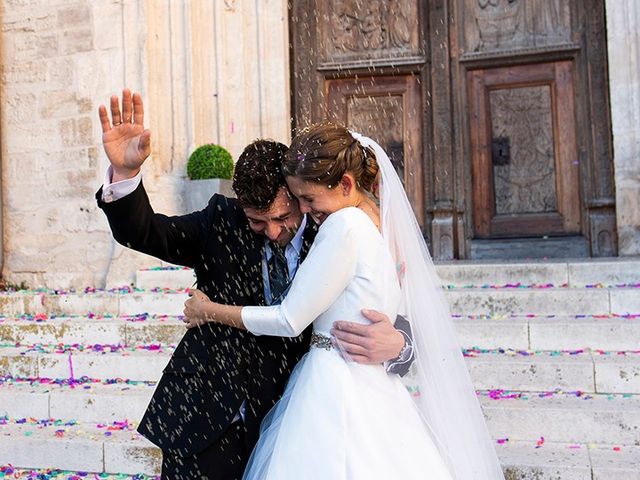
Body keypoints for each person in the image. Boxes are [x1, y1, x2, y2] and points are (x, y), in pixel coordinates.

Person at [96, 90, 413, 479]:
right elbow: (149, 233)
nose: (274, 231)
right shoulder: (219, 221)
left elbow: (379, 302)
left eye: (283, 216)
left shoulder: (334, 229)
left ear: (298, 192)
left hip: (294, 420)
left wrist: (401, 346)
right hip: (204, 415)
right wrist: (126, 177)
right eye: (257, 222)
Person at [183, 124, 506, 479]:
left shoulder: (345, 225)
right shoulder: (383, 225)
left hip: (334, 386)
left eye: (308, 199)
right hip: (376, 387)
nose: (304, 210)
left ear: (347, 184)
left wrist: (208, 311)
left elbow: (290, 319)